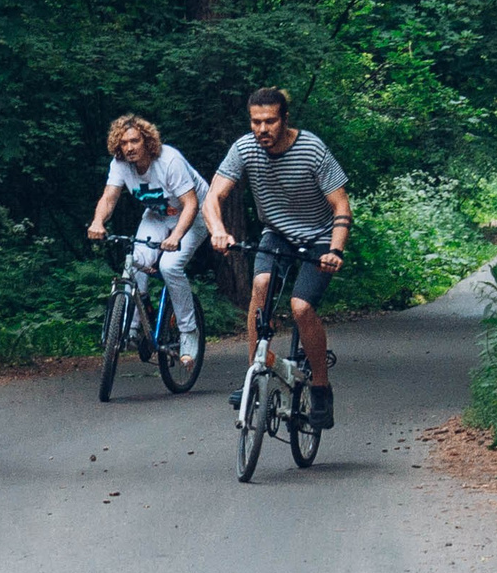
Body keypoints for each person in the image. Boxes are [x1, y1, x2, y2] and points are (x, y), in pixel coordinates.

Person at [203, 86, 349, 430]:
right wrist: (217, 230)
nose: (262, 130)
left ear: (284, 119)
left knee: (301, 307)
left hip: (319, 236)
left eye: (269, 121)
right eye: (256, 122)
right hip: (278, 234)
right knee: (261, 285)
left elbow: (341, 205)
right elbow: (214, 196)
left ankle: (321, 388)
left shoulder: (311, 149)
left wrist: (335, 250)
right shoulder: (244, 148)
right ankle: (255, 373)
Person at [83, 115, 204, 363]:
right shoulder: (119, 164)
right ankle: (133, 327)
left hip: (195, 215)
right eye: (124, 142)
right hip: (158, 214)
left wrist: (176, 237)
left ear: (147, 142)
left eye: (135, 141)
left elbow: (190, 204)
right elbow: (109, 197)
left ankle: (188, 331)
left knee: (170, 266)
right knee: (134, 261)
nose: (129, 147)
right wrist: (97, 222)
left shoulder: (169, 161)